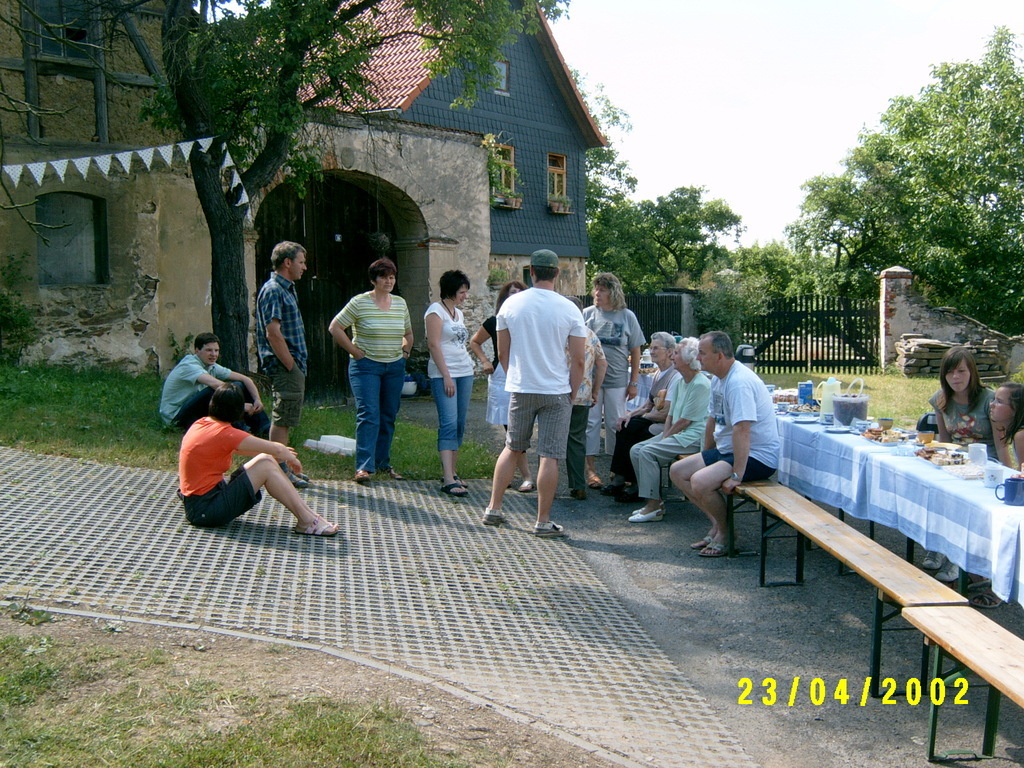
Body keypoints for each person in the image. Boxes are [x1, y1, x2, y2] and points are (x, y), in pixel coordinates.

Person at [481, 249, 586, 537]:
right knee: (549, 456)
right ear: (558, 273)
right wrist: (572, 392)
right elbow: (579, 359)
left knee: (513, 446)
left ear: (531, 272)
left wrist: (515, 375)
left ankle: (494, 507)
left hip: (521, 386)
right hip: (556, 390)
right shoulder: (569, 308)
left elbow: (503, 351)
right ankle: (542, 521)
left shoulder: (511, 304)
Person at [669, 331, 780, 557]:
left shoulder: (739, 382)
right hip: (729, 451)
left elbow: (743, 430)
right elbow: (712, 420)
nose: (698, 357)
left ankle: (726, 535)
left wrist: (737, 475)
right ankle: (720, 526)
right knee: (678, 471)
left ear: (719, 356)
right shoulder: (719, 379)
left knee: (700, 481)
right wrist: (706, 455)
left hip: (756, 457)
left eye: (702, 353)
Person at [177, 384, 338, 536]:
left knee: (266, 459)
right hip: (206, 510)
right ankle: (307, 521)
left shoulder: (202, 424)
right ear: (237, 410)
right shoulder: (225, 433)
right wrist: (289, 458)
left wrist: (277, 453)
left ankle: (310, 518)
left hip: (200, 505)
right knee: (265, 464)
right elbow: (276, 448)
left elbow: (242, 448)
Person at [329, 258, 413, 484]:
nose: (389, 281)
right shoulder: (359, 302)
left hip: (394, 367)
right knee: (369, 414)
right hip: (366, 367)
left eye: (392, 277)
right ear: (373, 280)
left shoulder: (400, 303)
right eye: (384, 277)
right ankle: (364, 467)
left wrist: (405, 354)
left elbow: (409, 333)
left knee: (388, 415)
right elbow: (335, 327)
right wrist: (354, 352)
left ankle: (383, 463)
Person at [921, 347, 996, 583]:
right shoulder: (940, 399)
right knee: (935, 492)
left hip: (984, 463)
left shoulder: (989, 399)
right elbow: (944, 440)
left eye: (961, 371)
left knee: (964, 505)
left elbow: (1000, 441)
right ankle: (939, 545)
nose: (956, 378)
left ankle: (958, 559)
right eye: (950, 372)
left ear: (972, 372)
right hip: (954, 461)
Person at [626, 338, 710, 523]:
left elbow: (685, 421)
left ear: (688, 359)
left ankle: (653, 506)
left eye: (677, 353)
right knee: (636, 450)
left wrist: (665, 438)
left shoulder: (700, 384)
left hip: (692, 437)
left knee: (647, 452)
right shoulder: (681, 381)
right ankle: (654, 501)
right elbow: (671, 415)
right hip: (678, 433)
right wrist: (665, 436)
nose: (673, 355)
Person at [469, 280, 535, 492]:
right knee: (511, 427)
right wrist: (486, 361)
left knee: (519, 428)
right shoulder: (495, 321)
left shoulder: (531, 319)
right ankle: (523, 476)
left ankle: (520, 475)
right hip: (503, 376)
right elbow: (475, 341)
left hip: (527, 374)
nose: (514, 297)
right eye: (511, 293)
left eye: (519, 293)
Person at [255, 241, 311, 489]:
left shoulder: (287, 289)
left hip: (292, 365)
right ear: (287, 262)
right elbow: (273, 333)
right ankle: (279, 471)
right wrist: (290, 365)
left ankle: (284, 468)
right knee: (282, 418)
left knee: (286, 417)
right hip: (284, 366)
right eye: (301, 262)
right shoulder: (274, 289)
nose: (305, 267)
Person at [583, 272, 645, 489]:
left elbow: (636, 350)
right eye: (596, 289)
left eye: (602, 289)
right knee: (590, 423)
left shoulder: (627, 316)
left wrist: (634, 382)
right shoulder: (588, 314)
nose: (597, 293)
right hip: (589, 380)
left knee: (615, 423)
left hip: (618, 379)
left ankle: (615, 469)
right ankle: (590, 470)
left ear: (613, 292)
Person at [601, 332, 680, 501]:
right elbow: (647, 404)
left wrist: (641, 418)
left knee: (635, 429)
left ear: (669, 351)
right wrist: (629, 415)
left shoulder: (675, 375)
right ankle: (621, 478)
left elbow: (665, 412)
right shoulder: (658, 373)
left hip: (669, 424)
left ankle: (637, 485)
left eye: (656, 348)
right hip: (657, 418)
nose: (651, 351)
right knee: (624, 425)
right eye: (650, 347)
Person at [159, 332, 269, 436]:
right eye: (209, 350)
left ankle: (263, 428)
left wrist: (257, 399)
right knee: (216, 392)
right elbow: (216, 385)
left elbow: (245, 379)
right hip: (176, 417)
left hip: (193, 411)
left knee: (238, 385)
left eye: (216, 350)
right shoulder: (189, 365)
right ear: (197, 350)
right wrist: (240, 406)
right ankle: (239, 430)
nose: (213, 354)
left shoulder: (211, 365)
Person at [425, 270, 474, 497]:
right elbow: (434, 345)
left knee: (460, 424)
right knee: (448, 422)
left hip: (465, 371)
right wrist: (446, 375)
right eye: (462, 292)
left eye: (465, 292)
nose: (465, 296)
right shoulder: (435, 312)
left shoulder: (458, 314)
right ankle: (447, 478)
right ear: (451, 290)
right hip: (445, 373)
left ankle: (453, 472)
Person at [564, 296, 607, 501]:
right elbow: (603, 364)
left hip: (558, 392)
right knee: (576, 439)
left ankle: (548, 484)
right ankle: (578, 484)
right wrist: (595, 390)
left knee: (552, 439)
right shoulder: (590, 334)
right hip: (582, 394)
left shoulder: (558, 333)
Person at [991, 381, 1024, 471]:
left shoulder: (1021, 436)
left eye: (999, 401)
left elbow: (1022, 474)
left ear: (1015, 408)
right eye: (993, 399)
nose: (991, 404)